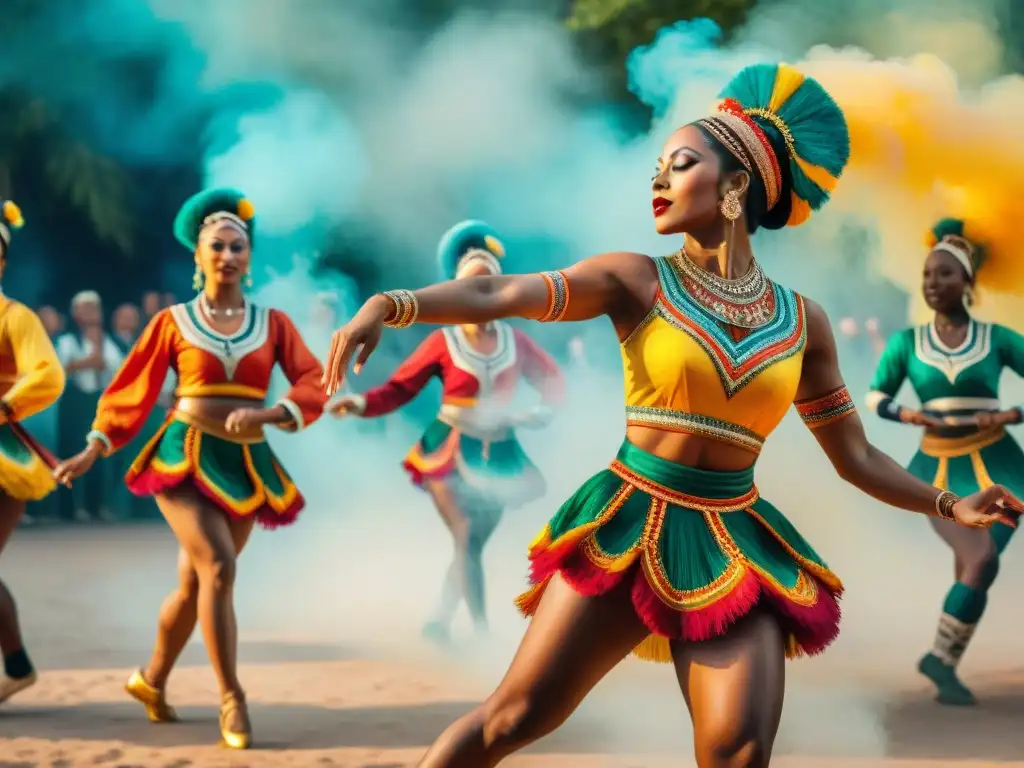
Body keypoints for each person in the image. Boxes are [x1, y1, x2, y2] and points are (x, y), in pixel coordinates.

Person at [322, 64, 1021, 766]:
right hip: (628, 524)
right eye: (656, 167)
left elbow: (856, 457)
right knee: (512, 720)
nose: (656, 180)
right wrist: (393, 305)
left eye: (679, 164)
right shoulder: (636, 279)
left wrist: (951, 505)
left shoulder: (804, 322)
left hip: (734, 542)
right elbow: (501, 292)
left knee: (739, 753)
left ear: (736, 185)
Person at [53, 188, 328, 749]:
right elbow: (130, 390)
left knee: (194, 581)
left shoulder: (273, 324)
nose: (228, 254)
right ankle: (232, 697)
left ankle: (150, 680)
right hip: (183, 456)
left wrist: (274, 411)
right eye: (218, 246)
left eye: (238, 246)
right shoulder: (172, 322)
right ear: (198, 256)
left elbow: (312, 379)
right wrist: (95, 444)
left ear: (249, 257)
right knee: (221, 569)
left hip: (247, 462)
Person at [329, 221, 564, 643]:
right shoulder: (444, 341)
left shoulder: (516, 341)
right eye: (473, 286)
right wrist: (361, 403)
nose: (483, 293)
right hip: (449, 450)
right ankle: (480, 635)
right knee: (467, 536)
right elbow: (400, 388)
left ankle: (439, 619)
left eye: (490, 283)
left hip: (500, 451)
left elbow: (553, 381)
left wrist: (538, 411)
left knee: (469, 546)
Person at [867, 218, 1024, 706]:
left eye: (945, 274)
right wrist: (907, 412)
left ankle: (944, 663)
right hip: (934, 472)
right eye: (927, 276)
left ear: (968, 281)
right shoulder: (906, 344)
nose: (933, 284)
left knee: (976, 566)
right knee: (982, 558)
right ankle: (940, 661)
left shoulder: (998, 338)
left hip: (1003, 467)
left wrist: (1006, 413)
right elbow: (875, 397)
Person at [0, 200, 66, 702]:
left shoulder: (15, 317)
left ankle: (17, 666)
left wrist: (6, 405)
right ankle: (18, 665)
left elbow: (47, 373)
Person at [54, 290, 123, 522]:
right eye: (88, 308)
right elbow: (58, 369)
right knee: (71, 453)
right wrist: (88, 361)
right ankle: (70, 509)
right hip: (73, 404)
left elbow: (117, 367)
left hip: (96, 403)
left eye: (96, 308)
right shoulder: (67, 340)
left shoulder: (106, 340)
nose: (94, 313)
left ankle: (96, 507)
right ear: (76, 313)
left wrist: (99, 350)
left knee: (97, 455)